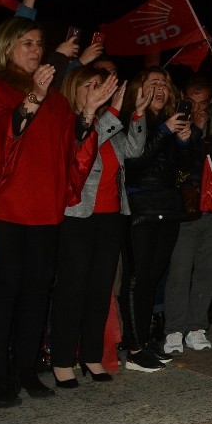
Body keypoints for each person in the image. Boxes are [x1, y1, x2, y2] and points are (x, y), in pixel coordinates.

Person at [0, 17, 113, 406]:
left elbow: (73, 151)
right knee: (3, 292)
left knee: (36, 293)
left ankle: (26, 370)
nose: (36, 50)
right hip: (7, 207)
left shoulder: (55, 98)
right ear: (6, 47)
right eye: (27, 43)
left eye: (38, 43)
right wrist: (31, 97)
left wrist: (87, 112)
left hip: (46, 210)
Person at [50, 66, 141, 387]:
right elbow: (84, 143)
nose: (97, 90)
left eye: (100, 85)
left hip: (111, 216)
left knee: (100, 290)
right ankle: (62, 360)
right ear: (74, 90)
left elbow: (134, 149)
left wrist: (138, 114)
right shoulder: (69, 122)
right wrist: (112, 110)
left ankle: (91, 356)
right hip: (77, 216)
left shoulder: (107, 122)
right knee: (72, 289)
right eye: (89, 85)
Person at [119, 67, 194, 372]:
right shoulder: (132, 118)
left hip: (168, 205)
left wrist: (185, 141)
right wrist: (164, 130)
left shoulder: (171, 120)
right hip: (141, 206)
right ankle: (134, 349)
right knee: (137, 278)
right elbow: (134, 162)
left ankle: (144, 341)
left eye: (164, 83)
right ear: (139, 89)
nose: (160, 88)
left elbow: (183, 170)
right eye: (153, 83)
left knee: (152, 278)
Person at [161, 74, 212, 355]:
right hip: (185, 209)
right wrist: (196, 132)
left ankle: (197, 327)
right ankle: (174, 330)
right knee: (180, 270)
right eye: (192, 102)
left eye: (203, 103)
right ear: (183, 100)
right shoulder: (175, 124)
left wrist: (206, 130)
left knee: (208, 270)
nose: (198, 108)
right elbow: (180, 163)